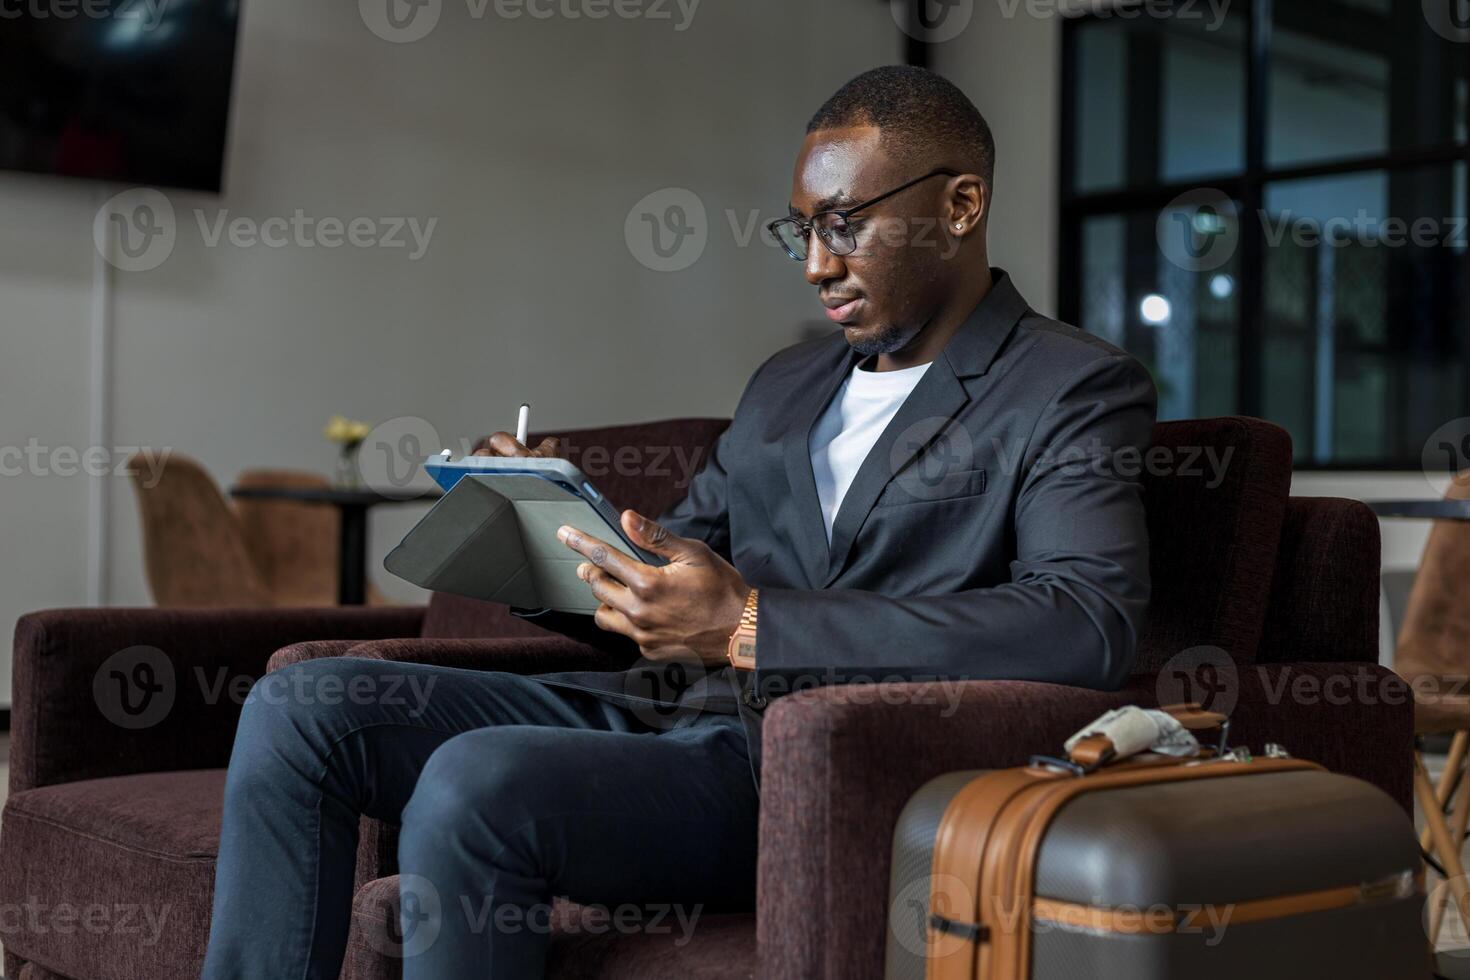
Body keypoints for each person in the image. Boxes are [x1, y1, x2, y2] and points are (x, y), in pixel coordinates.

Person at [201, 64, 1155, 979]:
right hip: (665, 715)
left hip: (811, 769)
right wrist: (545, 524)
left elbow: (1080, 623)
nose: (818, 267)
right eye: (800, 234)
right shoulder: (786, 385)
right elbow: (665, 575)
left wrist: (751, 627)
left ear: (959, 205)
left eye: (845, 226)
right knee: (303, 707)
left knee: (474, 781)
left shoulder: (1068, 385)